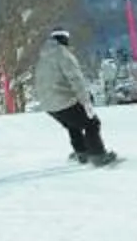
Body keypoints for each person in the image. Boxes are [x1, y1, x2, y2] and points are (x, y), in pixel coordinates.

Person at [32, 28, 115, 166]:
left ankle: (82, 153)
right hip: (62, 100)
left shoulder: (43, 57)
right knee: (92, 123)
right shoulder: (63, 54)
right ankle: (98, 155)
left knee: (73, 124)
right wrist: (85, 100)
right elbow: (76, 79)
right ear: (64, 39)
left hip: (48, 105)